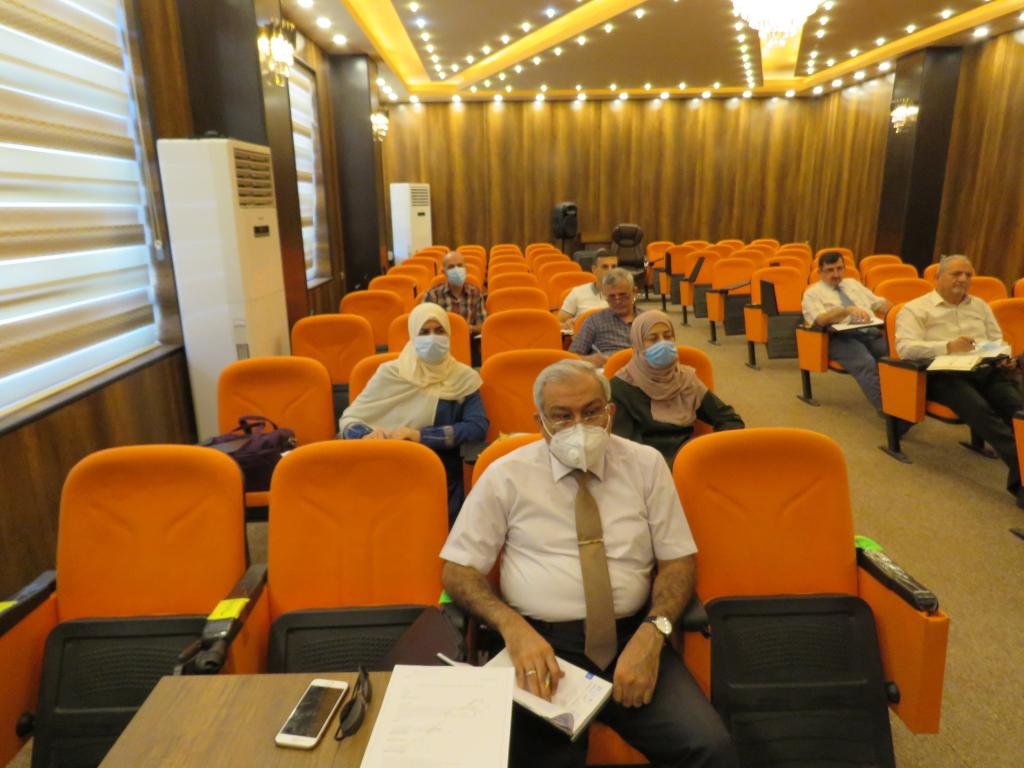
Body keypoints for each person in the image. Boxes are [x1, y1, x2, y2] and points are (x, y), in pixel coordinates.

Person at [441, 359, 738, 768]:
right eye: (562, 416)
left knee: (710, 749)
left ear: (610, 412)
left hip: (634, 638)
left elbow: (678, 562)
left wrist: (654, 634)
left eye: (591, 411)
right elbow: (458, 571)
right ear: (540, 422)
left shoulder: (647, 465)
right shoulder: (505, 475)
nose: (579, 426)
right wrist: (512, 628)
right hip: (542, 645)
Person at [339, 303, 489, 524]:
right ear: (412, 336)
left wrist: (421, 436)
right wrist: (365, 435)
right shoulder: (390, 373)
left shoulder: (463, 378)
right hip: (382, 467)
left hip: (438, 473)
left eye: (439, 331)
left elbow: (477, 427)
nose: (432, 338)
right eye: (424, 332)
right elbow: (349, 419)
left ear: (449, 335)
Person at [895, 254, 1024, 507]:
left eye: (968, 275)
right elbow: (905, 349)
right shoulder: (915, 309)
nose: (963, 279)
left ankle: (1019, 477)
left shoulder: (980, 306)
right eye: (956, 274)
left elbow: (997, 340)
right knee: (984, 415)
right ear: (937, 277)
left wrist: (1002, 357)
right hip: (943, 374)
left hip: (984, 369)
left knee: (1018, 409)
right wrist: (947, 346)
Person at [612, 311, 744, 463]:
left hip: (689, 461)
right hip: (647, 467)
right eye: (653, 339)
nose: (663, 343)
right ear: (638, 344)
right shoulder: (620, 387)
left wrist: (713, 451)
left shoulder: (685, 379)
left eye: (668, 336)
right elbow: (625, 449)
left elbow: (729, 419)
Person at [802, 251, 893, 411]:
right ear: (820, 272)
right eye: (830, 270)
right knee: (866, 363)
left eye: (839, 268)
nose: (836, 274)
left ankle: (903, 402)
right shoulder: (812, 293)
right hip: (839, 338)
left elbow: (880, 304)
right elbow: (820, 320)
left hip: (870, 332)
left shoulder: (853, 284)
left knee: (897, 358)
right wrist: (845, 311)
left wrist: (901, 312)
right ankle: (890, 412)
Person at [570, 268, 641, 366]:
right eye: (611, 297)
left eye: (623, 295)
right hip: (609, 369)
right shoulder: (594, 321)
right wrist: (589, 360)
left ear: (634, 292)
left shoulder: (647, 319)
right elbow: (571, 357)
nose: (617, 301)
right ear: (604, 295)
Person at [422, 250, 486, 334]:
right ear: (444, 272)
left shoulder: (475, 293)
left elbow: (482, 325)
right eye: (451, 267)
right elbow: (422, 326)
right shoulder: (432, 295)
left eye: (459, 265)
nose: (456, 270)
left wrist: (470, 329)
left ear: (465, 269)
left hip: (468, 339)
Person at [556, 251, 618, 327]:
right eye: (605, 267)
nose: (610, 271)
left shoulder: (626, 294)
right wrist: (567, 325)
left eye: (614, 267)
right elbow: (557, 324)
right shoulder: (577, 293)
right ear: (594, 269)